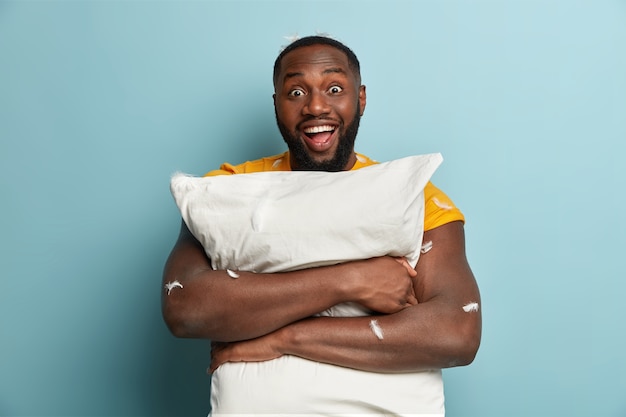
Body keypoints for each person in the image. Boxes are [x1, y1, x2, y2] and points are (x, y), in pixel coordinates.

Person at [162, 35, 481, 416]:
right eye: (296, 92)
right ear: (277, 104)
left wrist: (285, 338)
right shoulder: (228, 189)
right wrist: (351, 280)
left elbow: (456, 333)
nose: (315, 106)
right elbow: (184, 307)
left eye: (334, 88)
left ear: (360, 99)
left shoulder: (413, 197)